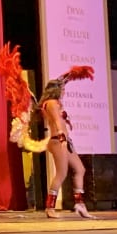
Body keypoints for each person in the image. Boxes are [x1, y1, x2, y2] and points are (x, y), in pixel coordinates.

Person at [39, 68, 95, 219]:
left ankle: (80, 204)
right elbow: (57, 121)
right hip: (58, 141)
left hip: (64, 141)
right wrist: (62, 138)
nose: (64, 92)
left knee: (80, 169)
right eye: (62, 89)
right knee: (61, 173)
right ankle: (50, 208)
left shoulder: (54, 103)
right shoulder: (51, 103)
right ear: (55, 90)